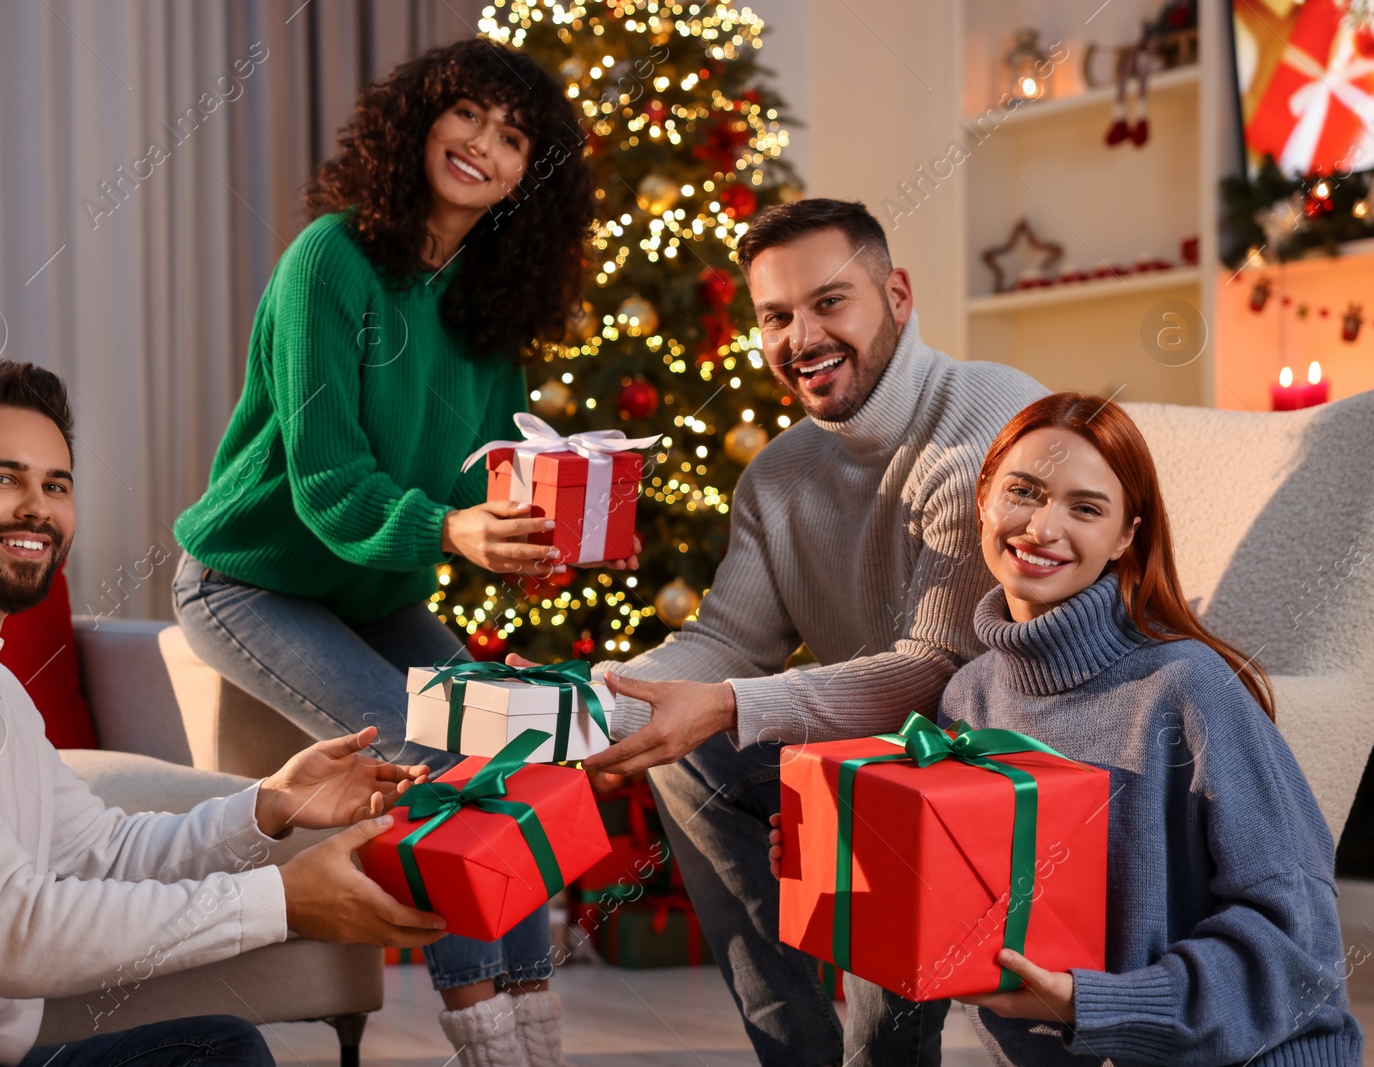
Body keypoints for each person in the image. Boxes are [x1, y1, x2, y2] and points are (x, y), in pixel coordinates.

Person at [0, 361, 447, 1066]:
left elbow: (101, 851)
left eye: (55, 485)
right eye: (2, 477)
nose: (36, 508)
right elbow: (15, 935)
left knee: (219, 1048)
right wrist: (280, 900)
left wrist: (270, 802)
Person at [169, 38, 606, 1067]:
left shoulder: (486, 309)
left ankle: (534, 1017)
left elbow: (478, 477)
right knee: (430, 761)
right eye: (467, 115)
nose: (481, 147)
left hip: (372, 587)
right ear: (420, 118)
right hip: (250, 579)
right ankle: (483, 1031)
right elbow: (326, 483)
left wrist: (525, 533)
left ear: (525, 180)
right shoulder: (329, 260)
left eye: (512, 139)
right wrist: (450, 529)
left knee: (508, 745)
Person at [547, 197, 1046, 1065]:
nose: (800, 336)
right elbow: (727, 641)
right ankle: (797, 1051)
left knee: (879, 776)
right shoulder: (779, 476)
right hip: (884, 748)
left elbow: (938, 673)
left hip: (999, 756)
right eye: (775, 316)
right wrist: (595, 699)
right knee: (688, 754)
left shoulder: (983, 428)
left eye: (829, 301)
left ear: (897, 294)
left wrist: (731, 701)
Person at [773, 393, 1365, 1065]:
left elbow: (1300, 946)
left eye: (1085, 508)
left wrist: (1091, 1006)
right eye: (1023, 492)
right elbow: (956, 914)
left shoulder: (1190, 688)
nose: (1043, 527)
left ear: (1123, 537)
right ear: (984, 501)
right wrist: (841, 860)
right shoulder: (970, 697)